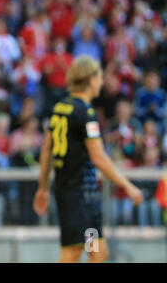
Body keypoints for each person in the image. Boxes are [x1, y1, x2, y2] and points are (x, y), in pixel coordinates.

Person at [33, 55, 143, 263]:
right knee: (73, 253)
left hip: (77, 195)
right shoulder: (86, 113)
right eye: (100, 76)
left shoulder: (60, 108)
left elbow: (46, 151)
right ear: (91, 79)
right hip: (79, 196)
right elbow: (99, 158)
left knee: (98, 252)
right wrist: (128, 186)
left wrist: (43, 188)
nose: (102, 81)